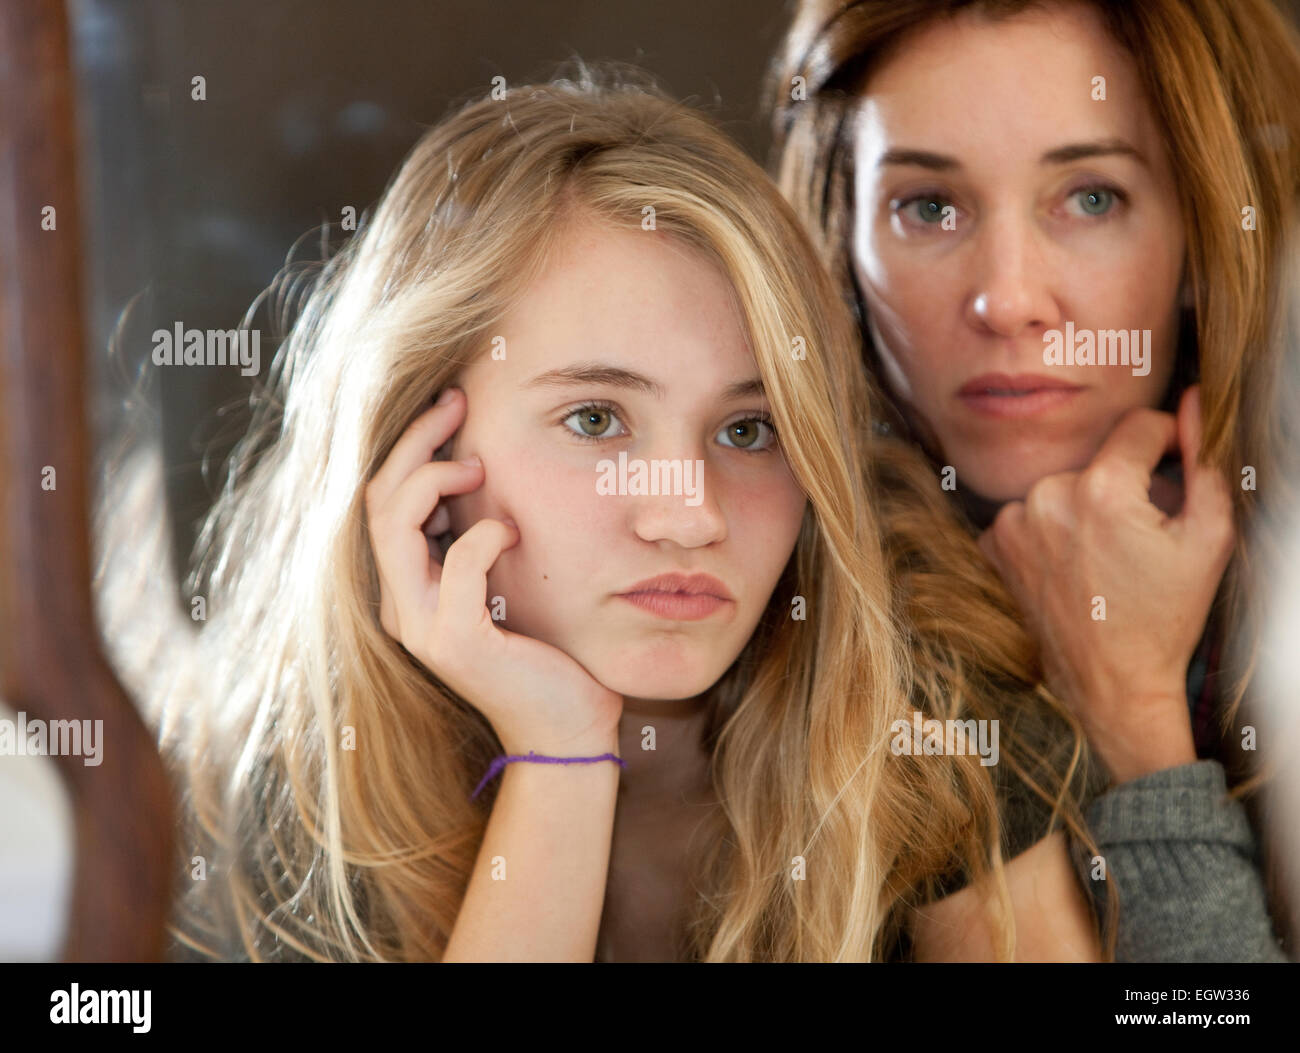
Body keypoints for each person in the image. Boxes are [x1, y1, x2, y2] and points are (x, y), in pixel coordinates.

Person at [95, 66, 1109, 962]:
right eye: (595, 418)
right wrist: (558, 756)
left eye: (749, 431)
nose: (686, 517)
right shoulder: (287, 787)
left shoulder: (926, 704)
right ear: (425, 445)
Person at [768, 0, 1300, 960]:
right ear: (841, 243)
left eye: (1091, 197)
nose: (1007, 298)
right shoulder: (758, 614)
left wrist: (1137, 721)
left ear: (1204, 231)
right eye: (928, 206)